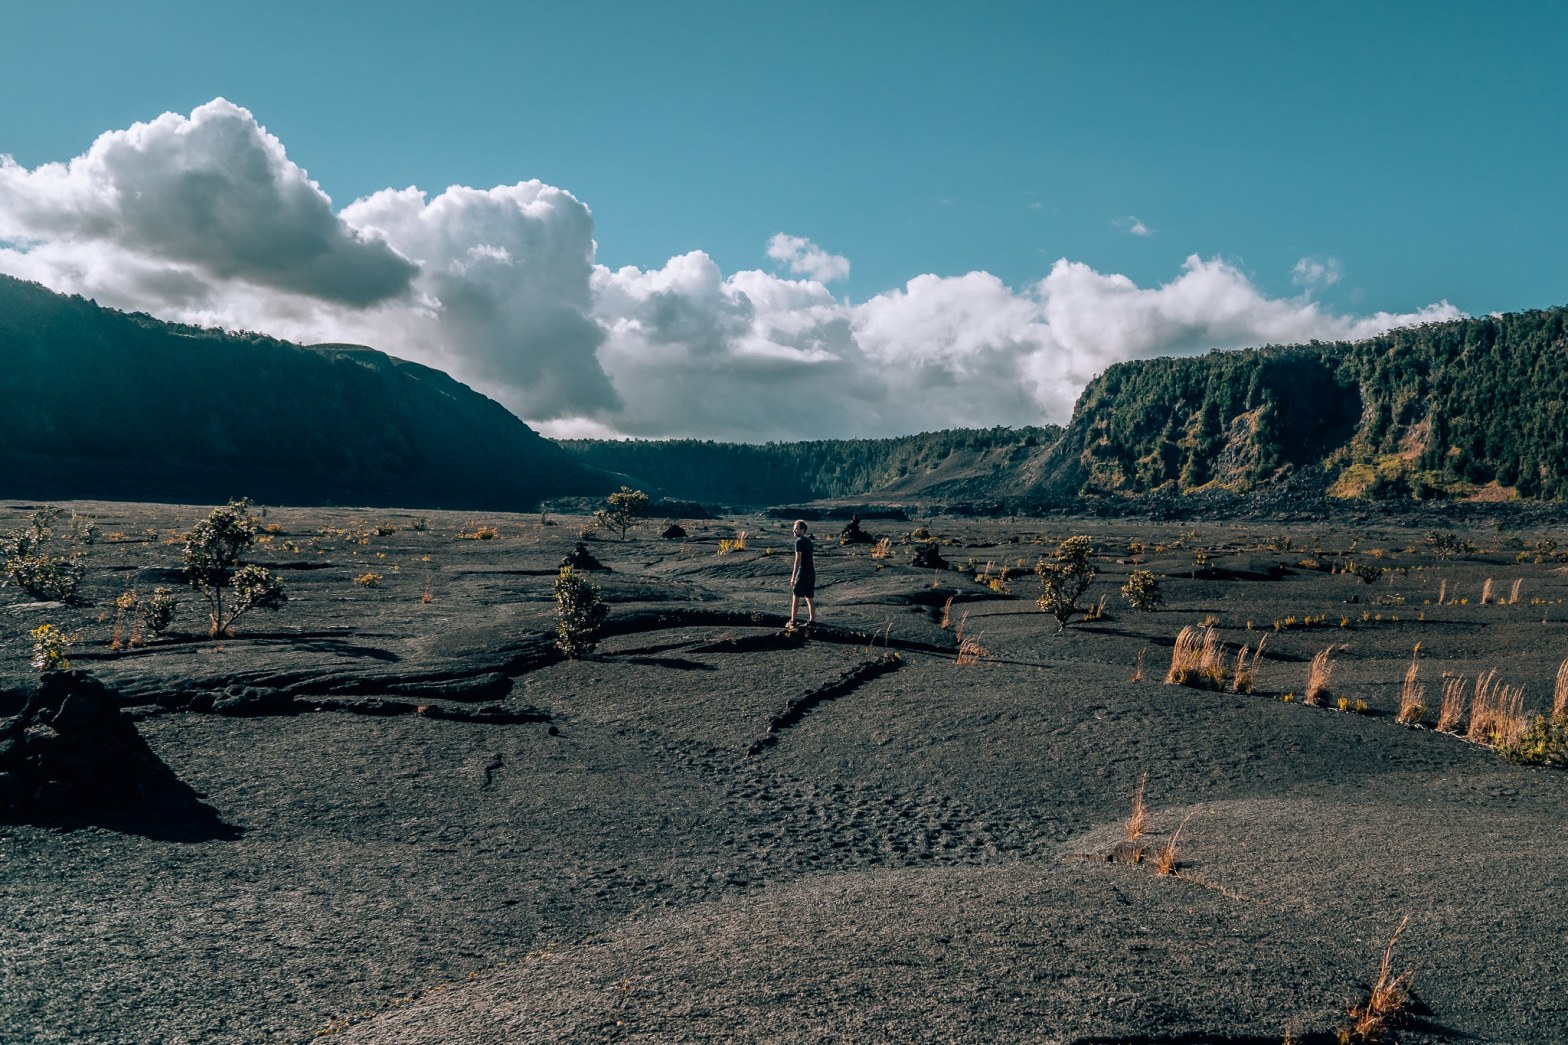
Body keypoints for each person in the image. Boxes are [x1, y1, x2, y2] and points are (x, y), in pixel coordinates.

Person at [789, 518, 816, 628]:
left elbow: (797, 560)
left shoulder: (798, 542)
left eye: (796, 529)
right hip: (811, 572)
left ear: (802, 530)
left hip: (803, 572)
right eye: (793, 529)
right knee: (809, 597)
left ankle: (793, 621)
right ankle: (812, 621)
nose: (794, 531)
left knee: (796, 596)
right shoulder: (809, 541)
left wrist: (793, 577)